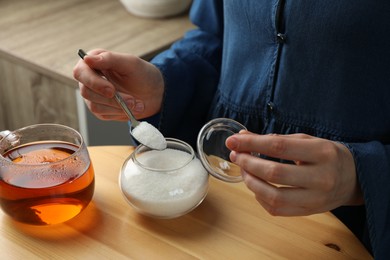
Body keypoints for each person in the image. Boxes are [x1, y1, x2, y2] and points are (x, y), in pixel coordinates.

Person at [73, 1, 390, 258]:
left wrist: (364, 176)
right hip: (217, 205)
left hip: (349, 231)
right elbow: (215, 34)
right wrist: (165, 84)